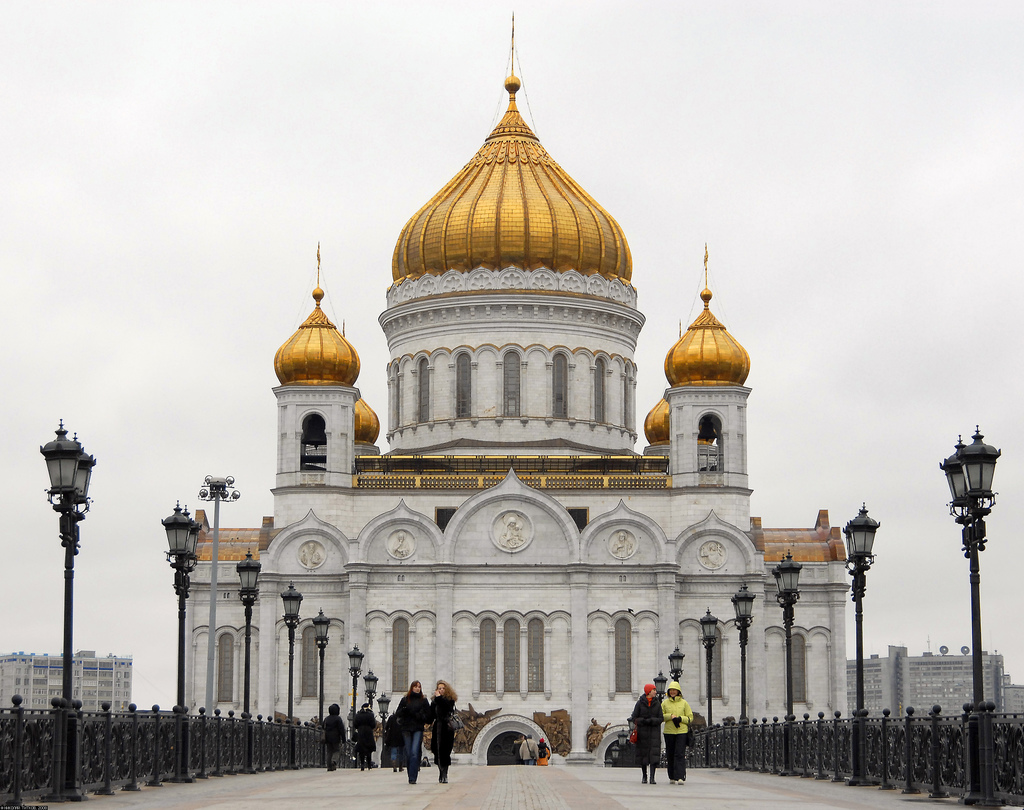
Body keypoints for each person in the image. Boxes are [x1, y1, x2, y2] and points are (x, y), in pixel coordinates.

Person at [395, 680, 433, 784]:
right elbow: (397, 713)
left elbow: (429, 717)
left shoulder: (423, 701)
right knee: (408, 752)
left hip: (417, 728)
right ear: (411, 688)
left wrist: (420, 716)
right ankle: (410, 774)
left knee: (414, 753)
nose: (417, 688)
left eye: (419, 687)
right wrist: (404, 710)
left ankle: (413, 777)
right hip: (406, 729)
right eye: (415, 686)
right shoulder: (405, 700)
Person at [661, 680, 694, 784]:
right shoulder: (665, 703)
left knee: (679, 754)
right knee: (670, 754)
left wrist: (680, 719)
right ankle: (672, 776)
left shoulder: (684, 703)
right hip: (669, 732)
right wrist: (670, 717)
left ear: (678, 691)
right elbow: (661, 716)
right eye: (671, 690)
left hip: (681, 731)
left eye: (675, 690)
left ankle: (680, 776)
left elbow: (690, 717)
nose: (673, 692)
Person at [631, 683, 663, 784]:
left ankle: (652, 777)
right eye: (654, 690)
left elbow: (660, 718)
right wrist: (643, 721)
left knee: (653, 756)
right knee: (643, 755)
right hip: (642, 733)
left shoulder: (657, 703)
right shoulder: (640, 703)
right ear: (648, 691)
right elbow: (634, 717)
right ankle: (644, 776)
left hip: (654, 733)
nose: (655, 692)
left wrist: (652, 721)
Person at [430, 680, 458, 783]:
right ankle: (440, 772)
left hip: (447, 728)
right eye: (439, 688)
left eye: (443, 688)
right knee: (436, 750)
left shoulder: (450, 700)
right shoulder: (434, 701)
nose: (441, 690)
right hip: (437, 727)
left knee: (446, 751)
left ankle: (445, 773)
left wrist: (439, 698)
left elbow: (448, 708)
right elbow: (432, 715)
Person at [353, 702, 378, 771]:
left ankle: (362, 764)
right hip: (368, 732)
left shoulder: (358, 715)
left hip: (361, 732)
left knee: (361, 749)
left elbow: (355, 724)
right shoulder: (370, 715)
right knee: (368, 749)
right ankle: (369, 764)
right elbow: (373, 724)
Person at [322, 703, 346, 771]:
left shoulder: (327, 718)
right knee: (336, 750)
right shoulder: (338, 719)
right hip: (336, 737)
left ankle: (329, 766)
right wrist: (344, 739)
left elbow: (323, 726)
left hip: (327, 737)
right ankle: (334, 761)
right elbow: (341, 729)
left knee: (329, 751)